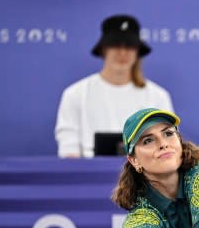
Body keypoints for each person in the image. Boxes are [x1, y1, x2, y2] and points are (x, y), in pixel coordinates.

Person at [55, 14, 174, 158]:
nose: (122, 52)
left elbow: (167, 148)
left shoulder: (158, 96)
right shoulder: (75, 94)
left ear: (137, 52)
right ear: (103, 49)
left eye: (129, 46)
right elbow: (69, 151)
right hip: (90, 178)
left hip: (145, 178)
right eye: (115, 45)